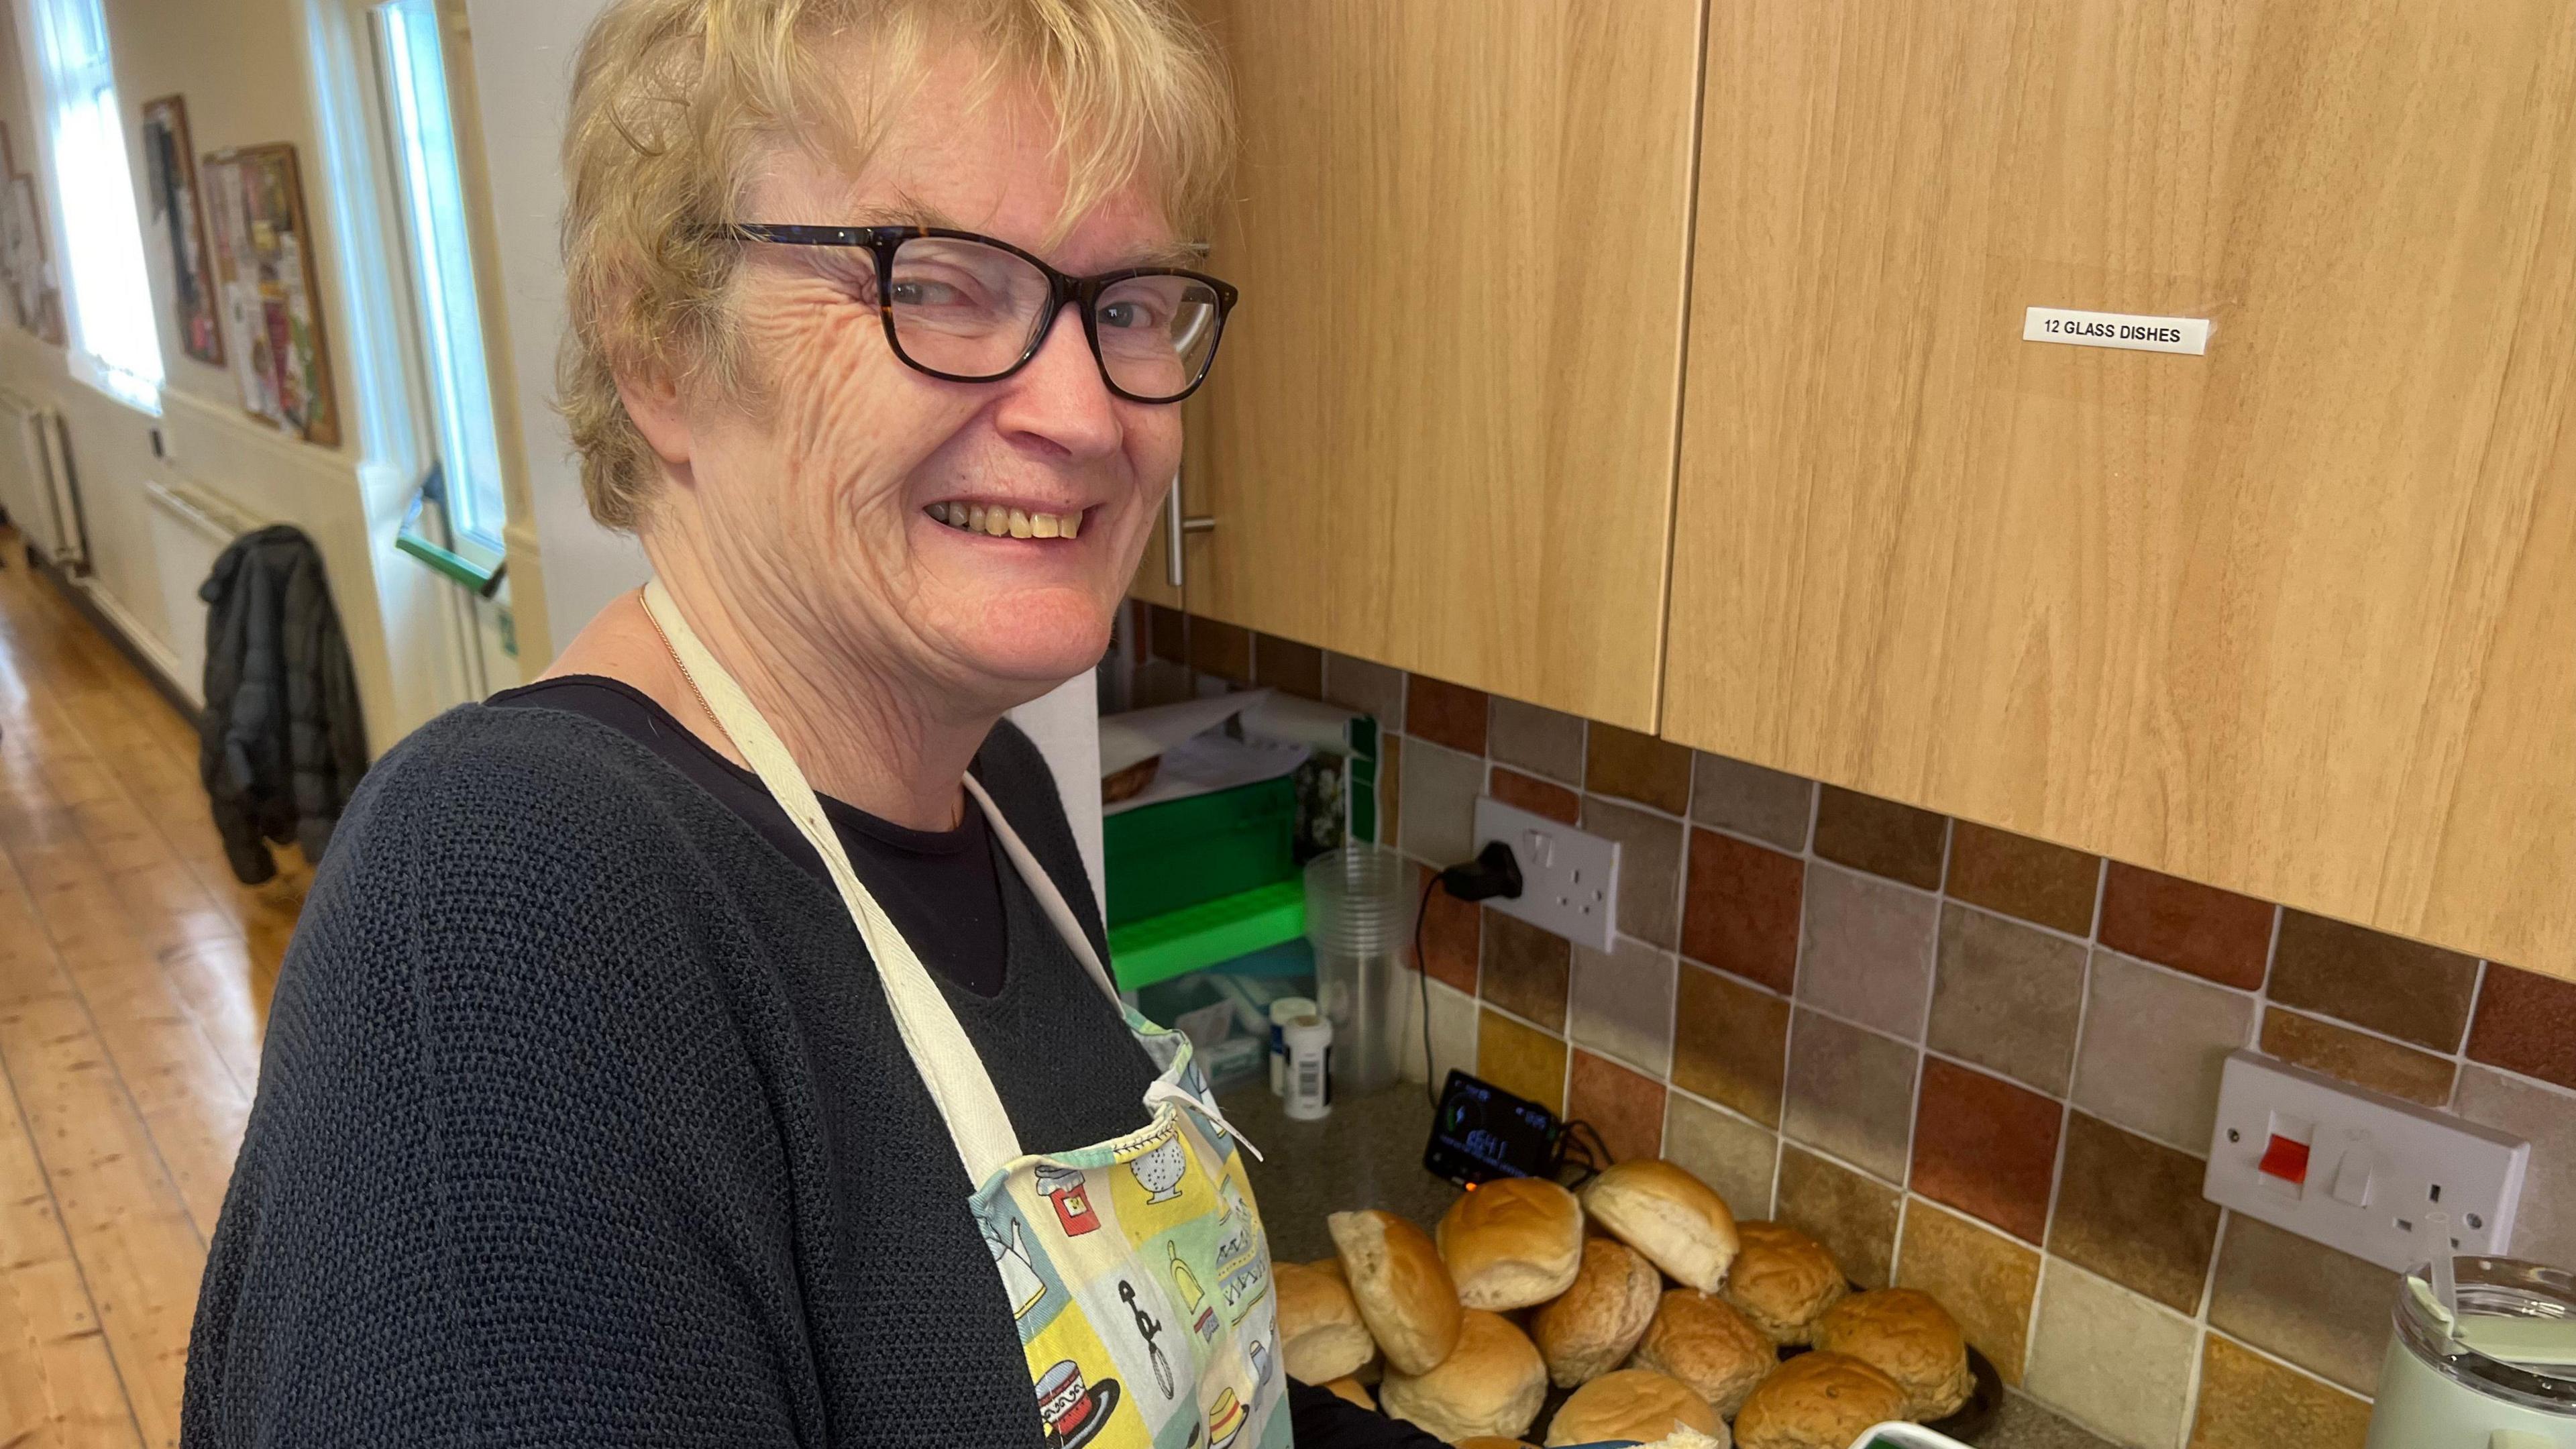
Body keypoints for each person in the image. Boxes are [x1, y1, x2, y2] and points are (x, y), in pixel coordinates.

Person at [178, 1, 1440, 1446]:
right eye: (944, 285)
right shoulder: (511, 904)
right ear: (659, 347)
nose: (1089, 414)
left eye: (1131, 306)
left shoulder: (999, 799)